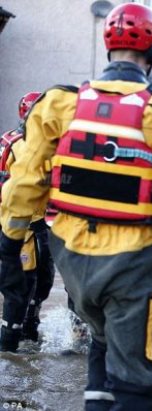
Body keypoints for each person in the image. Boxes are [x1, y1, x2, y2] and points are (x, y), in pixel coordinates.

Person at [0, 3, 152, 409]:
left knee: (101, 347)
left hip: (72, 261)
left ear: (108, 49)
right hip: (134, 262)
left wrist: (9, 239)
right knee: (138, 380)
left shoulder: (58, 105)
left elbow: (26, 178)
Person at [0, 91, 55, 350]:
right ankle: (10, 340)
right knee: (22, 285)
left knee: (43, 280)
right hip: (20, 226)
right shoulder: (16, 144)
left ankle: (29, 328)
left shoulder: (46, 141)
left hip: (40, 225)